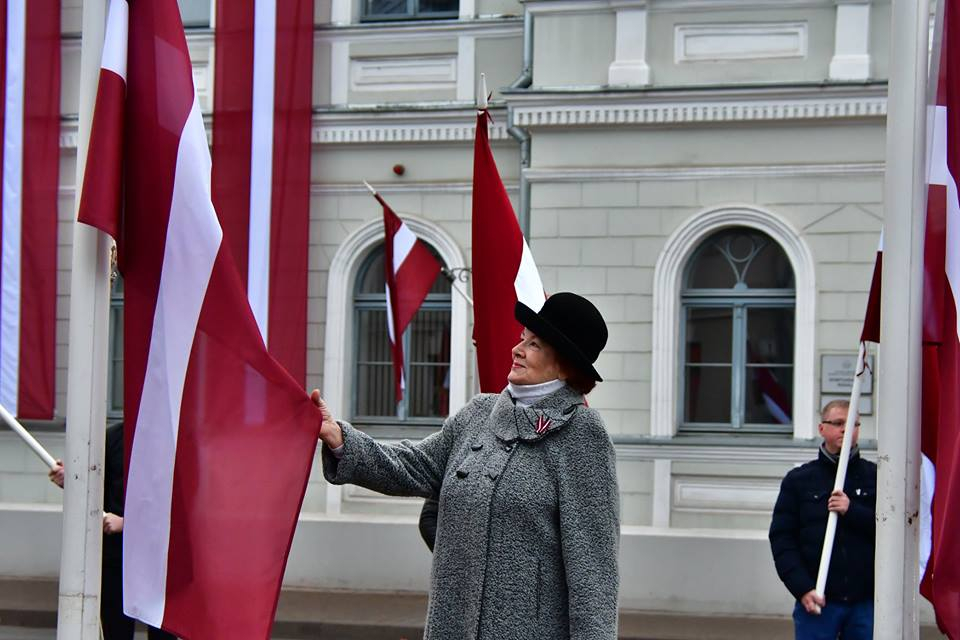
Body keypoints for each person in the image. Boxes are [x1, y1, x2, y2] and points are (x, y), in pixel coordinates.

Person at [314, 292, 620, 639]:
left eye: (534, 345)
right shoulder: (478, 414)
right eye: (522, 339)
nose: (516, 350)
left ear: (565, 363)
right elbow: (412, 465)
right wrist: (339, 437)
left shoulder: (582, 435)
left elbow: (593, 572)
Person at [50, 422, 176, 640]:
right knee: (116, 630)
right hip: (117, 557)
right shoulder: (113, 438)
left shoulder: (173, 436)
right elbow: (95, 485)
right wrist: (71, 479)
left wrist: (128, 523)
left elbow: (178, 504)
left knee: (161, 630)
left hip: (159, 560)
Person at [769, 399, 877, 639]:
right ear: (822, 429)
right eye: (839, 423)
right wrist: (802, 588)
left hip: (864, 602)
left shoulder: (874, 477)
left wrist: (853, 510)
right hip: (818, 600)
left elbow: (889, 532)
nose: (846, 429)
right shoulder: (799, 481)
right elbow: (782, 540)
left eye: (853, 424)